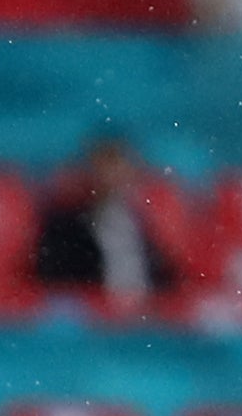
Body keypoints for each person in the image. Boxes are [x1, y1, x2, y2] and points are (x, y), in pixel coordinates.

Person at [31, 131, 176, 307]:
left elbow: (167, 284)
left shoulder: (146, 225)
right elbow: (56, 290)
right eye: (104, 167)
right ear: (88, 172)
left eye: (118, 165)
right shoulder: (64, 228)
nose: (111, 176)